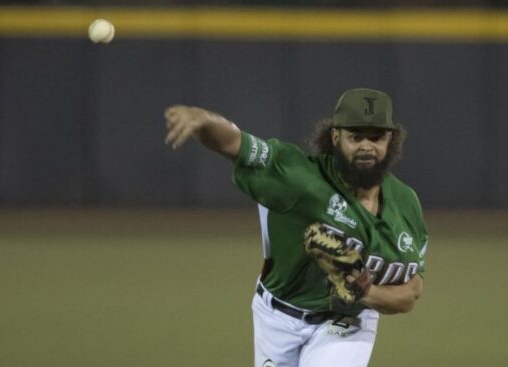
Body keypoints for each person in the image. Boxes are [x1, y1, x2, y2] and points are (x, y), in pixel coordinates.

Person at [164, 88, 427, 367]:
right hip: (277, 317)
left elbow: (410, 292)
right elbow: (236, 144)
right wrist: (203, 119)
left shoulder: (405, 203)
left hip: (348, 320)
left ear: (391, 139)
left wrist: (366, 292)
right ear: (335, 137)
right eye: (356, 136)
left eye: (376, 137)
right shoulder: (299, 177)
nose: (367, 146)